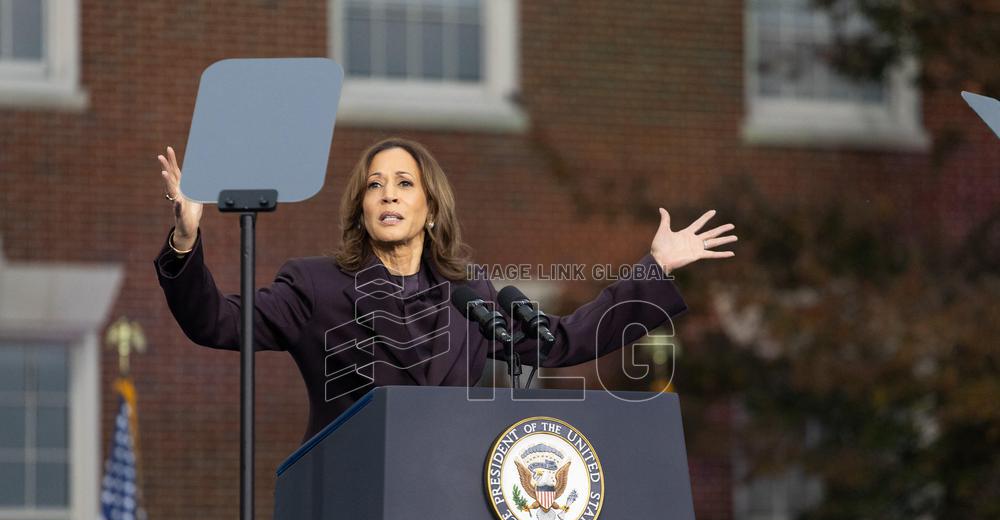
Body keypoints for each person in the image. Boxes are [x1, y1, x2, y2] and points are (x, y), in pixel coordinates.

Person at [155, 137, 737, 444]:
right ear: (360, 209)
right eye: (375, 185)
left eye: (404, 183)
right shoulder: (315, 286)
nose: (387, 194)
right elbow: (215, 322)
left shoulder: (469, 294)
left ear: (430, 209)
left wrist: (654, 266)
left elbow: (558, 344)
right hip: (346, 515)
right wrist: (186, 239)